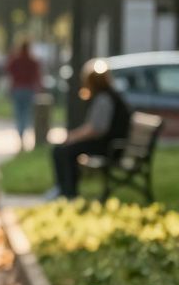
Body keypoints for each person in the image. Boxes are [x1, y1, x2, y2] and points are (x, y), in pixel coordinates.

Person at [49, 59, 132, 199]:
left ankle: (67, 192)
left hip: (109, 147)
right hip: (110, 145)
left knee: (64, 150)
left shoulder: (104, 99)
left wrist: (73, 137)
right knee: (63, 149)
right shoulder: (109, 96)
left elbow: (97, 129)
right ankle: (64, 189)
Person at [6, 40, 42, 150]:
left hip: (17, 89)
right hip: (28, 89)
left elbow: (9, 71)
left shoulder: (16, 60)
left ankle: (21, 134)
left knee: (18, 113)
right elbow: (37, 76)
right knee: (26, 114)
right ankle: (22, 134)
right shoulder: (32, 61)